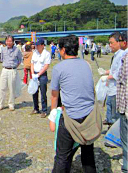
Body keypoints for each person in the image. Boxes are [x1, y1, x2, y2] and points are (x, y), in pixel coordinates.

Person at [51, 35, 97, 172]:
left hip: (70, 117)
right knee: (88, 155)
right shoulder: (86, 64)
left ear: (63, 50)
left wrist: (53, 115)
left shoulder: (59, 68)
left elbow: (54, 95)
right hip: (89, 116)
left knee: (62, 156)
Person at [99, 32, 124, 126]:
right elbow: (114, 70)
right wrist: (105, 72)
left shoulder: (122, 55)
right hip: (111, 88)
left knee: (115, 114)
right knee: (109, 107)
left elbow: (119, 73)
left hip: (116, 89)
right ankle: (109, 122)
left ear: (118, 42)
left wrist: (107, 77)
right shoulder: (116, 55)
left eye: (112, 43)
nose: (110, 45)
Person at [0, 35, 22, 111]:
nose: (9, 42)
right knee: (2, 88)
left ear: (13, 42)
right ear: (5, 41)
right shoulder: (3, 49)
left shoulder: (17, 50)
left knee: (12, 88)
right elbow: (2, 59)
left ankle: (11, 104)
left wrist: (14, 67)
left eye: (10, 41)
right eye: (7, 41)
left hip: (12, 70)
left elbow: (19, 60)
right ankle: (1, 104)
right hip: (4, 69)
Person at [30, 38, 51, 118]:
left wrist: (38, 74)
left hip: (42, 75)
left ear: (42, 45)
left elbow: (46, 66)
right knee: (34, 92)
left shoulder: (46, 54)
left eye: (38, 45)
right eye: (36, 45)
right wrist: (32, 74)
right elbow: (32, 64)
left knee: (43, 93)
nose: (36, 46)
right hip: (34, 74)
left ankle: (44, 110)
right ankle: (36, 108)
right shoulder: (34, 53)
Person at [116, 49, 128, 172]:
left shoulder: (126, 58)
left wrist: (122, 108)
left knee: (126, 141)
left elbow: (123, 82)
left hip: (126, 107)